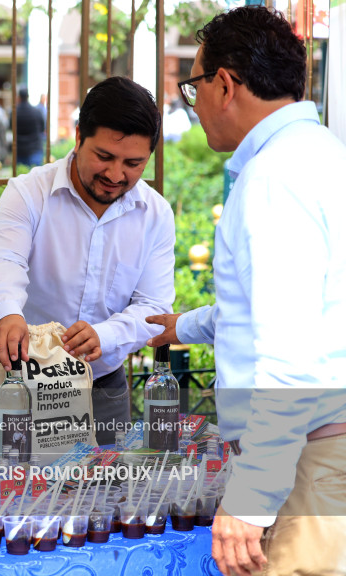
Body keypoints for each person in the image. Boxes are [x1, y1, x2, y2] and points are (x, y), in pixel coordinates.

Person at [145, 7, 346, 576]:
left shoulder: (276, 179)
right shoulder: (323, 154)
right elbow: (294, 308)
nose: (195, 104)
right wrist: (184, 325)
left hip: (309, 458)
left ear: (225, 84)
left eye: (194, 86)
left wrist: (253, 496)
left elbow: (291, 355)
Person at [0, 76, 175, 451]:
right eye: (104, 156)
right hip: (14, 379)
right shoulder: (28, 193)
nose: (116, 175)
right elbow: (3, 260)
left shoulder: (156, 214)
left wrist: (107, 335)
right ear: (79, 136)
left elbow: (155, 306)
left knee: (104, 503)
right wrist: (7, 315)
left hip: (102, 388)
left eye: (134, 163)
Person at [12, 85, 45, 167]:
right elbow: (42, 128)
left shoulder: (14, 113)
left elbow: (11, 128)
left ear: (18, 97)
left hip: (19, 150)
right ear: (28, 96)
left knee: (20, 176)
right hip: (35, 149)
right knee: (36, 177)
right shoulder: (36, 112)